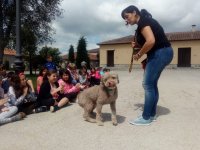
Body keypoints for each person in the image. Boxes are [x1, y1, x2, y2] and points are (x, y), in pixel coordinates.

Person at [121, 5, 173, 125]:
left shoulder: (143, 21)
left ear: (134, 12)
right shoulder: (145, 21)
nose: (126, 20)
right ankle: (152, 114)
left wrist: (138, 54)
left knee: (147, 84)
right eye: (125, 19)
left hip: (160, 53)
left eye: (127, 16)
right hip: (164, 52)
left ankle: (146, 117)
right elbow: (150, 42)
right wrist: (138, 46)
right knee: (152, 84)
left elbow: (150, 41)